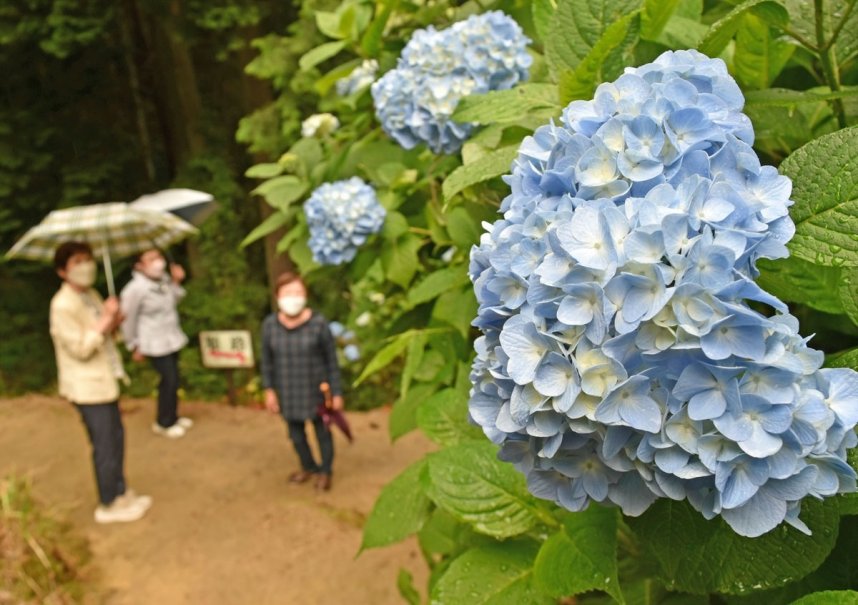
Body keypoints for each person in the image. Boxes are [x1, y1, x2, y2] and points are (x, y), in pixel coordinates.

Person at [49, 241, 152, 524]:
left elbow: (105, 335)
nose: (85, 266)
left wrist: (114, 320)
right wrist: (105, 321)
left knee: (117, 438)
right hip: (86, 387)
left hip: (105, 381)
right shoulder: (61, 305)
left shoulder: (91, 294)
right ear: (62, 271)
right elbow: (80, 348)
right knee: (105, 444)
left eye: (88, 259)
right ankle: (108, 503)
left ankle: (120, 491)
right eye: (77, 262)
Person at [261, 272, 344, 491]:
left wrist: (336, 392)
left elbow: (331, 361)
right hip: (288, 391)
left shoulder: (318, 324)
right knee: (296, 436)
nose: (293, 297)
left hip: (317, 391)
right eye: (288, 292)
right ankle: (308, 467)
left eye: (298, 292)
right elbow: (267, 361)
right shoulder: (270, 325)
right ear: (277, 296)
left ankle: (326, 472)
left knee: (323, 434)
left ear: (306, 295)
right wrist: (269, 390)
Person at [120, 248, 192, 439]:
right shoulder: (134, 289)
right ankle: (164, 422)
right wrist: (134, 345)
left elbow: (173, 301)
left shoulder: (164, 279)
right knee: (169, 378)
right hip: (152, 342)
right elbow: (128, 319)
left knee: (173, 378)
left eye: (158, 256)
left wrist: (176, 281)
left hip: (171, 337)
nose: (157, 261)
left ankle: (173, 416)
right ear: (139, 266)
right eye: (150, 259)